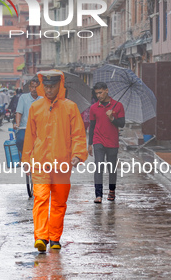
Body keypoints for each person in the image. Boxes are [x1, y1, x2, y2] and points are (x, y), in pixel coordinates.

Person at [22, 70, 88, 252]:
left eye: (52, 87)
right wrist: (26, 159)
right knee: (41, 199)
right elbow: (30, 136)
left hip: (62, 162)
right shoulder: (35, 107)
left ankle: (55, 238)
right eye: (47, 86)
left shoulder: (70, 107)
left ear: (60, 87)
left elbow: (78, 135)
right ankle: (41, 237)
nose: (49, 90)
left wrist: (78, 155)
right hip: (40, 163)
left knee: (59, 202)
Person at [88, 82, 125, 204]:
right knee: (98, 167)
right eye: (96, 93)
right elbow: (92, 126)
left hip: (112, 142)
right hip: (98, 141)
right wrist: (90, 144)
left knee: (111, 168)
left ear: (106, 90)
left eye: (100, 92)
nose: (98, 95)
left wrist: (112, 118)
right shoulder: (93, 108)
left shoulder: (118, 106)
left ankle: (112, 190)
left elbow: (122, 123)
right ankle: (98, 194)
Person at [13, 79, 41, 155]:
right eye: (32, 87)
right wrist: (17, 124)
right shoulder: (23, 97)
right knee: (20, 140)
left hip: (39, 128)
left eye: (36, 87)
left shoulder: (43, 99)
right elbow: (19, 112)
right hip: (24, 127)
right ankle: (23, 156)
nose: (34, 89)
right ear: (29, 87)